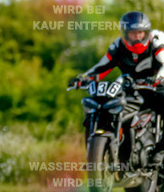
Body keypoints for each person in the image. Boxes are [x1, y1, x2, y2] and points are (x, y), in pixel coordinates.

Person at [70, 11, 164, 154]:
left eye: (140, 32)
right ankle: (101, 152)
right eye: (133, 33)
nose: (137, 36)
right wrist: (84, 78)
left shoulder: (155, 42)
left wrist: (158, 79)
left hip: (155, 86)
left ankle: (159, 152)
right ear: (125, 33)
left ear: (146, 32)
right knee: (102, 107)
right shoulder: (118, 46)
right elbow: (102, 67)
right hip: (129, 87)